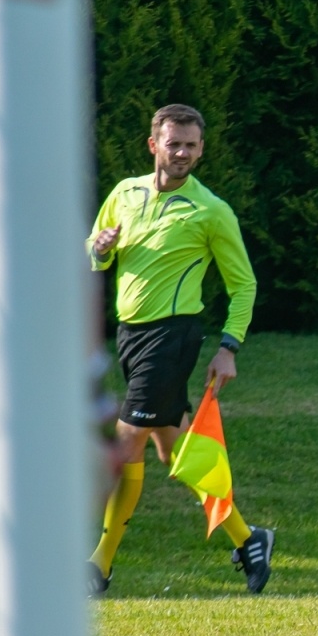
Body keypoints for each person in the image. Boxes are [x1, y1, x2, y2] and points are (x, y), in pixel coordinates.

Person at [86, 104, 272, 595]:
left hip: (172, 337)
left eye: (192, 145)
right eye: (175, 144)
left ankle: (99, 565)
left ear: (201, 149)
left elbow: (244, 285)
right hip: (130, 336)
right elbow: (94, 253)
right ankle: (248, 539)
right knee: (175, 452)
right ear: (154, 145)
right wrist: (100, 248)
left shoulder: (210, 210)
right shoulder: (125, 193)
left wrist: (229, 347)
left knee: (127, 439)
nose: (183, 153)